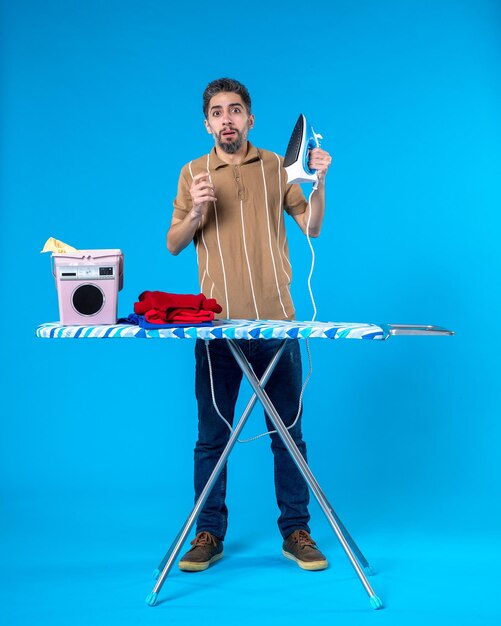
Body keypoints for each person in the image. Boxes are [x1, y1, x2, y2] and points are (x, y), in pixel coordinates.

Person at [167, 78, 332, 573]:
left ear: (250, 118)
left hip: (277, 326)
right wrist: (196, 210)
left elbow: (313, 226)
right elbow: (174, 243)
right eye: (217, 112)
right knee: (211, 438)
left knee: (289, 435)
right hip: (217, 329)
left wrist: (318, 183)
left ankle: (296, 531)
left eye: (235, 110)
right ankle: (207, 533)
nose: (227, 120)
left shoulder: (278, 169)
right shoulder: (192, 173)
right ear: (207, 123)